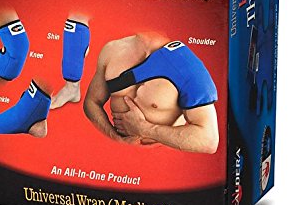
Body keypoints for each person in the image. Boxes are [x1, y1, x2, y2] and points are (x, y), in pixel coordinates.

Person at [83, 32, 219, 153]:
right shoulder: (112, 50)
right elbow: (92, 102)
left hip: (162, 159)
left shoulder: (187, 66)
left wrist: (144, 129)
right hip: (118, 154)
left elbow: (208, 140)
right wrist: (116, 138)